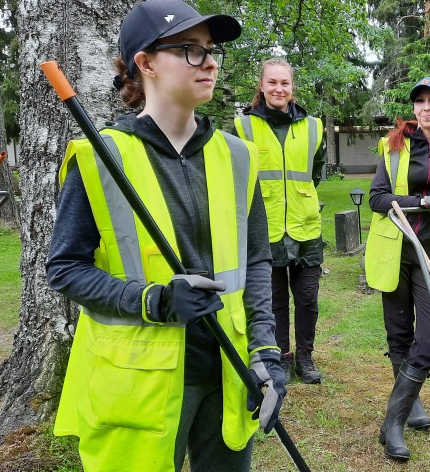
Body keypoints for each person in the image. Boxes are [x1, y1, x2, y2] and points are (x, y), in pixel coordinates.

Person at [46, 1, 285, 470]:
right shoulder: (101, 159)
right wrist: (153, 301)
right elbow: (65, 269)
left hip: (228, 370)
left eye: (211, 50)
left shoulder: (239, 157)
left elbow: (256, 261)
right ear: (146, 63)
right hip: (140, 380)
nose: (210, 62)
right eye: (191, 50)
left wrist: (266, 352)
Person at [365, 77, 430, 461]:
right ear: (414, 108)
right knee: (399, 335)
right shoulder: (394, 146)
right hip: (395, 250)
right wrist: (426, 202)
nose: (426, 107)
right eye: (420, 101)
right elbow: (378, 199)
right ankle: (402, 416)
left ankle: (392, 419)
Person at [233, 58, 326, 384]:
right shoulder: (243, 127)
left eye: (284, 83)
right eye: (272, 82)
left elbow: (316, 170)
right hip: (265, 228)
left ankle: (306, 356)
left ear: (292, 87)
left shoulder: (313, 127)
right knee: (274, 302)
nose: (278, 88)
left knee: (307, 299)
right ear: (261, 86)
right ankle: (282, 356)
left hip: (306, 226)